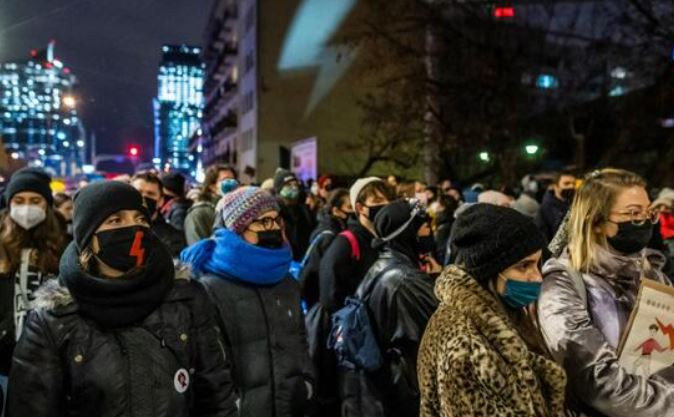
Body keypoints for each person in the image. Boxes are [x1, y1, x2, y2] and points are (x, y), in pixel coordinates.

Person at [7, 180, 237, 417]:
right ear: (89, 238)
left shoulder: (185, 297)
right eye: (115, 220)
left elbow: (215, 395)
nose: (133, 229)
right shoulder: (54, 320)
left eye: (140, 219)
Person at [538, 168, 674, 417]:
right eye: (633, 213)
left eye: (648, 213)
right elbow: (598, 381)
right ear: (596, 221)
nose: (644, 222)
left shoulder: (653, 275)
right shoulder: (563, 284)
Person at [418, 203, 567, 417]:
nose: (537, 277)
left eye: (537, 264)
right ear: (490, 270)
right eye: (523, 266)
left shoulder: (498, 312)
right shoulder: (466, 345)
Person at [181, 187, 314, 417]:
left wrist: (307, 384)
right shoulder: (208, 288)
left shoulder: (287, 282)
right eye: (262, 222)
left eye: (275, 220)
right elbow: (208, 367)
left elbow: (300, 342)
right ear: (237, 229)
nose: (272, 228)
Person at [345, 200, 438, 417]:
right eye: (424, 227)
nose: (430, 232)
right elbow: (438, 332)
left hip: (385, 389)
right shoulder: (405, 280)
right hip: (406, 394)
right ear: (409, 233)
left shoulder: (384, 265)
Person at [0, 168, 66, 376]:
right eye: (19, 200)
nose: (26, 207)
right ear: (9, 204)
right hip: (4, 358)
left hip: (51, 357)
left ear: (47, 204)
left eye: (35, 200)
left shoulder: (64, 244)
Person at [319, 177, 395, 313]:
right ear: (360, 208)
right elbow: (330, 297)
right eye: (377, 201)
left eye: (388, 200)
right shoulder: (346, 243)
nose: (386, 205)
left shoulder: (389, 239)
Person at [299, 188, 352, 308]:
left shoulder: (328, 228)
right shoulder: (329, 237)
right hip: (320, 303)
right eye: (349, 207)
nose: (353, 211)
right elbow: (313, 275)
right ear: (336, 211)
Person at [130, 172, 186, 257]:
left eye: (150, 194)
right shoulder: (113, 230)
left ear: (161, 201)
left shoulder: (174, 239)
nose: (143, 197)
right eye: (138, 192)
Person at [184, 164, 237, 245]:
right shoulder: (198, 214)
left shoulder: (236, 208)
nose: (232, 183)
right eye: (226, 180)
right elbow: (196, 250)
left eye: (233, 179)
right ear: (212, 186)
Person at [274, 169, 315, 261]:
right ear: (279, 188)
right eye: (288, 185)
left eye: (295, 184)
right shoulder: (273, 212)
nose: (294, 187)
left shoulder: (303, 212)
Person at [535, 170, 577, 243]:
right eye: (566, 183)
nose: (571, 186)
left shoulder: (575, 204)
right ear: (556, 186)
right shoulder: (545, 208)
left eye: (574, 184)